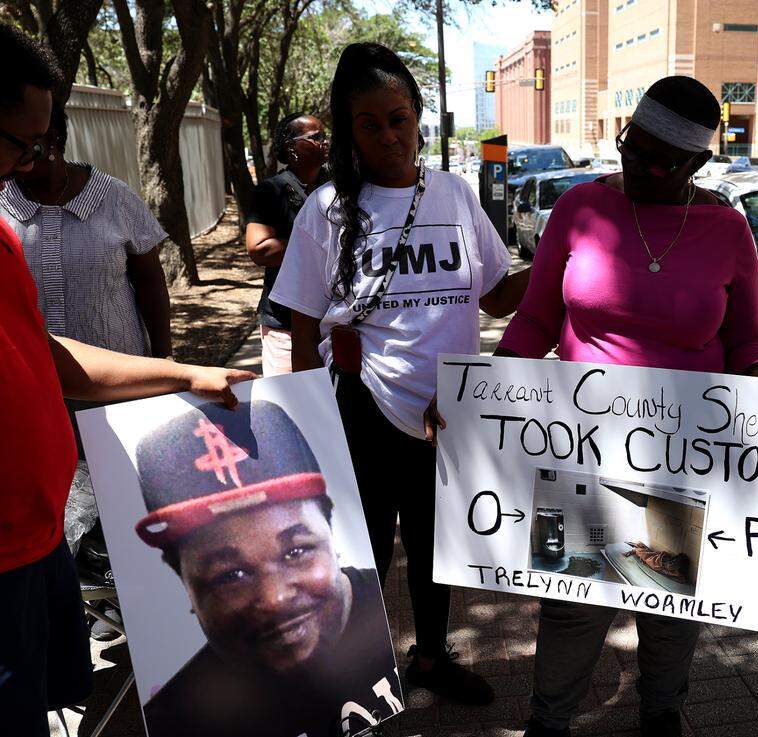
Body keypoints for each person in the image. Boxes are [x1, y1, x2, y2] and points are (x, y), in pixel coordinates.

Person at [492, 76, 758, 737]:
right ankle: (550, 720)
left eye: (658, 159)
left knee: (669, 601)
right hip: (579, 446)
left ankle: (662, 712)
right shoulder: (579, 210)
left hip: (681, 451)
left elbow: (745, 341)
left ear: (700, 163)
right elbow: (533, 320)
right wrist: (486, 401)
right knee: (572, 603)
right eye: (630, 148)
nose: (637, 167)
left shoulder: (728, 230)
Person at [0, 23, 255, 737]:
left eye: (41, 144)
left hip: (32, 536)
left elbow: (45, 352)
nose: (28, 163)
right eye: (19, 143)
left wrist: (182, 373)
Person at [270, 42, 530, 706]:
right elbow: (302, 328)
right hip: (366, 406)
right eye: (370, 123)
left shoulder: (455, 194)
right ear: (349, 130)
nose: (389, 135)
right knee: (366, 552)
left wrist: (562, 260)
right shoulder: (326, 209)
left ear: (419, 117)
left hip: (451, 411)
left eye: (399, 118)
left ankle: (433, 659)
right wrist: (312, 428)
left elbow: (497, 295)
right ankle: (350, 679)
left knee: (439, 545)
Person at [137, 400, 402, 737]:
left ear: (330, 529)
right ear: (182, 579)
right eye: (229, 575)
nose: (275, 599)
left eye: (296, 550)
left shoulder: (379, 621)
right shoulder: (177, 721)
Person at [1, 97, 173, 569]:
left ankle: (131, 605)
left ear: (54, 140)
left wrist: (164, 363)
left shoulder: (114, 198)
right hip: (40, 395)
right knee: (60, 501)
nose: (23, 163)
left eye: (35, 148)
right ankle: (88, 599)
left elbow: (151, 284)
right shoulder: (1, 205)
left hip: (118, 387)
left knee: (124, 499)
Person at [246, 112, 330, 376]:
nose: (325, 142)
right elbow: (260, 249)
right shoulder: (271, 191)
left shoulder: (338, 185)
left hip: (332, 322)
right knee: (292, 404)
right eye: (316, 138)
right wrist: (316, 245)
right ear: (291, 148)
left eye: (325, 137)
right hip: (285, 323)